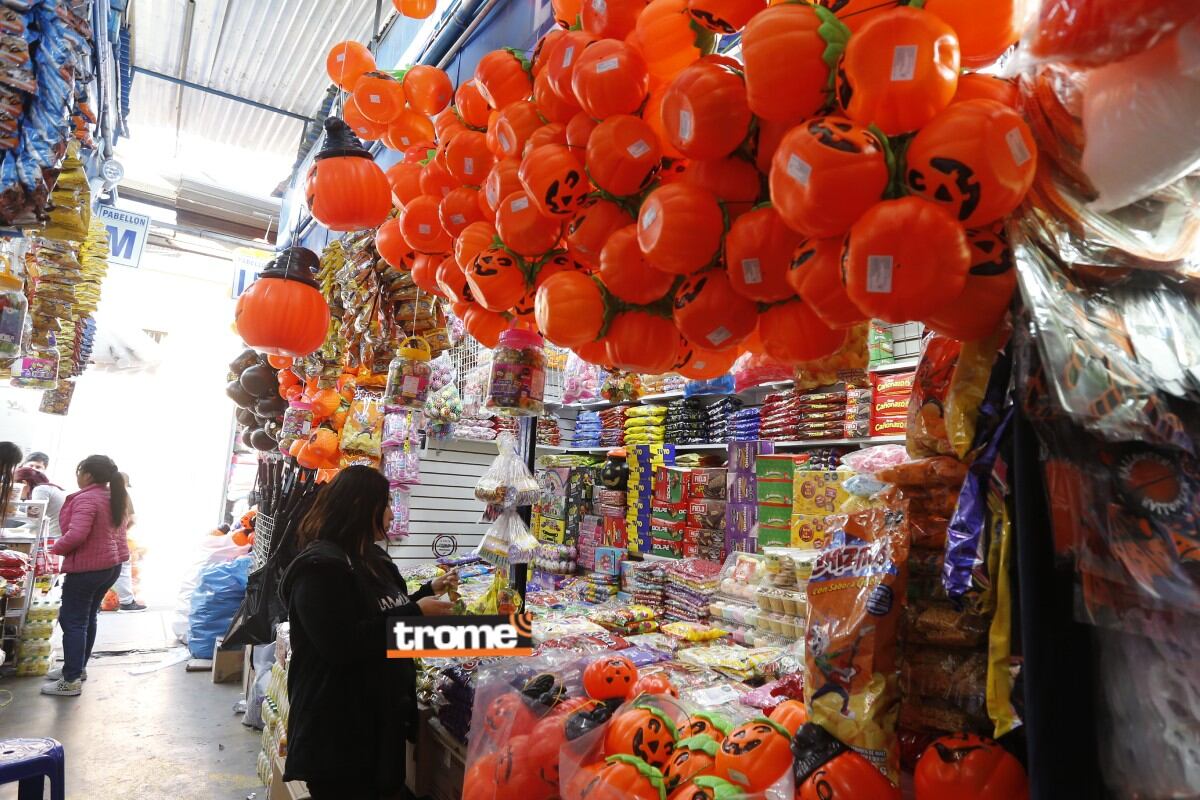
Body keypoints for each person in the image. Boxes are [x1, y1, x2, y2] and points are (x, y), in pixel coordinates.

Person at [279, 465, 458, 799]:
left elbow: (386, 612)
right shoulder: (319, 568)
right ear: (362, 506)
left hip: (378, 727)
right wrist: (416, 612)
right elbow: (344, 645)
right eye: (387, 504)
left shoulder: (371, 557)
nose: (393, 513)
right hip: (338, 736)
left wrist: (426, 594)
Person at [41, 455, 130, 697]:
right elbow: (120, 535)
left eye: (79, 471)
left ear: (87, 474)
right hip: (109, 567)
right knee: (87, 618)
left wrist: (54, 548)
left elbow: (77, 534)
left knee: (73, 621)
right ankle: (76, 669)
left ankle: (70, 681)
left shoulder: (88, 499)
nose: (77, 476)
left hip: (88, 569)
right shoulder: (113, 496)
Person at [110, 472, 145, 612]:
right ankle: (126, 602)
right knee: (123, 566)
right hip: (118, 538)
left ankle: (99, 602)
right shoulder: (122, 494)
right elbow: (133, 518)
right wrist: (123, 530)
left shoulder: (99, 494)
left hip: (101, 539)